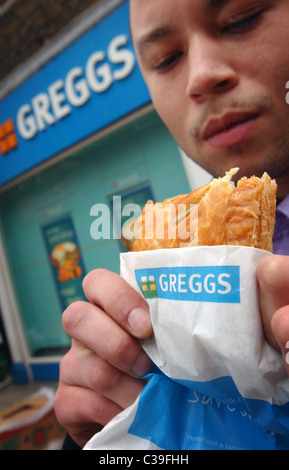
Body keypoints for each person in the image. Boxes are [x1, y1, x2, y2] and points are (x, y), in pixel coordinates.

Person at [54, 0, 289, 449]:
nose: (201, 75)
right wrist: (104, 428)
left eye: (242, 19)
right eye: (166, 59)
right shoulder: (162, 256)